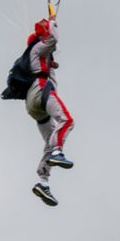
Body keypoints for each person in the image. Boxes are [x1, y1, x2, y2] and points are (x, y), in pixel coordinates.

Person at [18, 17, 73, 205]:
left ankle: (43, 181)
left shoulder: (36, 54)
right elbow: (54, 39)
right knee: (67, 121)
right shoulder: (39, 47)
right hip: (42, 91)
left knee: (49, 139)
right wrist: (52, 22)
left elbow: (51, 52)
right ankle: (58, 152)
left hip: (33, 105)